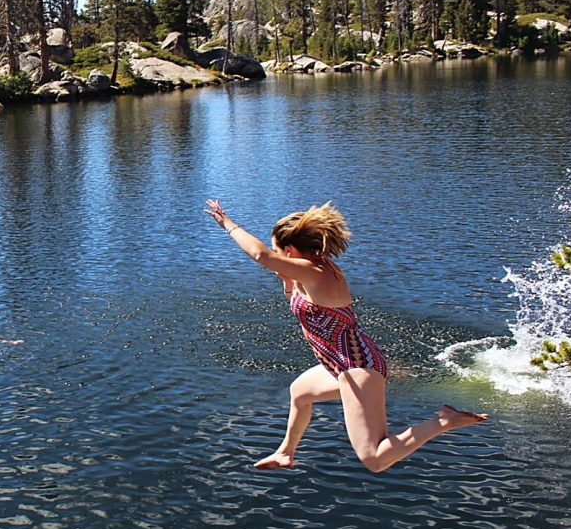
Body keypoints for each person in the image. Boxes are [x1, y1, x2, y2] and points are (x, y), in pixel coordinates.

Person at [204, 199, 488, 472]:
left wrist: (227, 224)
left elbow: (260, 255)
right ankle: (285, 453)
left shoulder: (316, 270)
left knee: (374, 458)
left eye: (279, 250)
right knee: (300, 393)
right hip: (340, 363)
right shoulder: (312, 271)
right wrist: (288, 282)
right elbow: (297, 295)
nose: (277, 256)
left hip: (356, 366)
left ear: (289, 249)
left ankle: (443, 420)